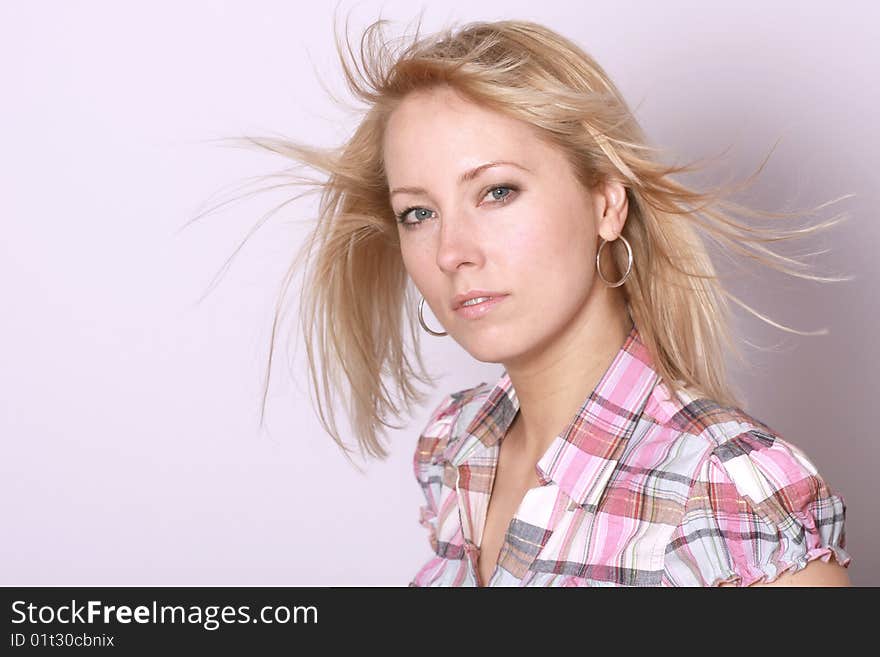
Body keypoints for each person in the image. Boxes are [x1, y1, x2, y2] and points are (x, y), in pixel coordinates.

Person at [217, 14, 853, 586]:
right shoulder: (456, 446)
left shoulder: (731, 490)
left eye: (496, 192)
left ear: (606, 203)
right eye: (417, 212)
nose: (450, 251)